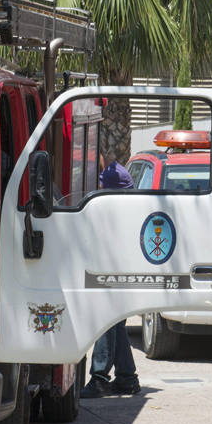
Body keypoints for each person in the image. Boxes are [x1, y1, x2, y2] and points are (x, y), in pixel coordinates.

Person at [82, 149, 141, 398]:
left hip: (115, 264)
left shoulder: (113, 175)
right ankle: (127, 378)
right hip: (118, 261)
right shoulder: (115, 172)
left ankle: (99, 378)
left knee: (107, 321)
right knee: (114, 323)